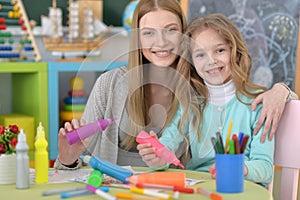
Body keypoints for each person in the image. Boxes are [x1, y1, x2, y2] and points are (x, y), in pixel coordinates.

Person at [54, 0, 297, 170]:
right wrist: (67, 160)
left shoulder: (201, 87)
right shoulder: (109, 85)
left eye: (171, 30)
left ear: (185, 35)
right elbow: (76, 164)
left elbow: (244, 92)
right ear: (137, 37)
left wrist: (282, 91)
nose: (160, 42)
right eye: (148, 33)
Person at [137, 13, 278, 186]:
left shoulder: (258, 103)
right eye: (200, 55)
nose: (211, 61)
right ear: (192, 62)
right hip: (200, 188)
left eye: (219, 50)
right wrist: (157, 158)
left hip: (242, 188)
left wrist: (240, 168)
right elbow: (168, 145)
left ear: (235, 52)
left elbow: (265, 169)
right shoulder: (191, 102)